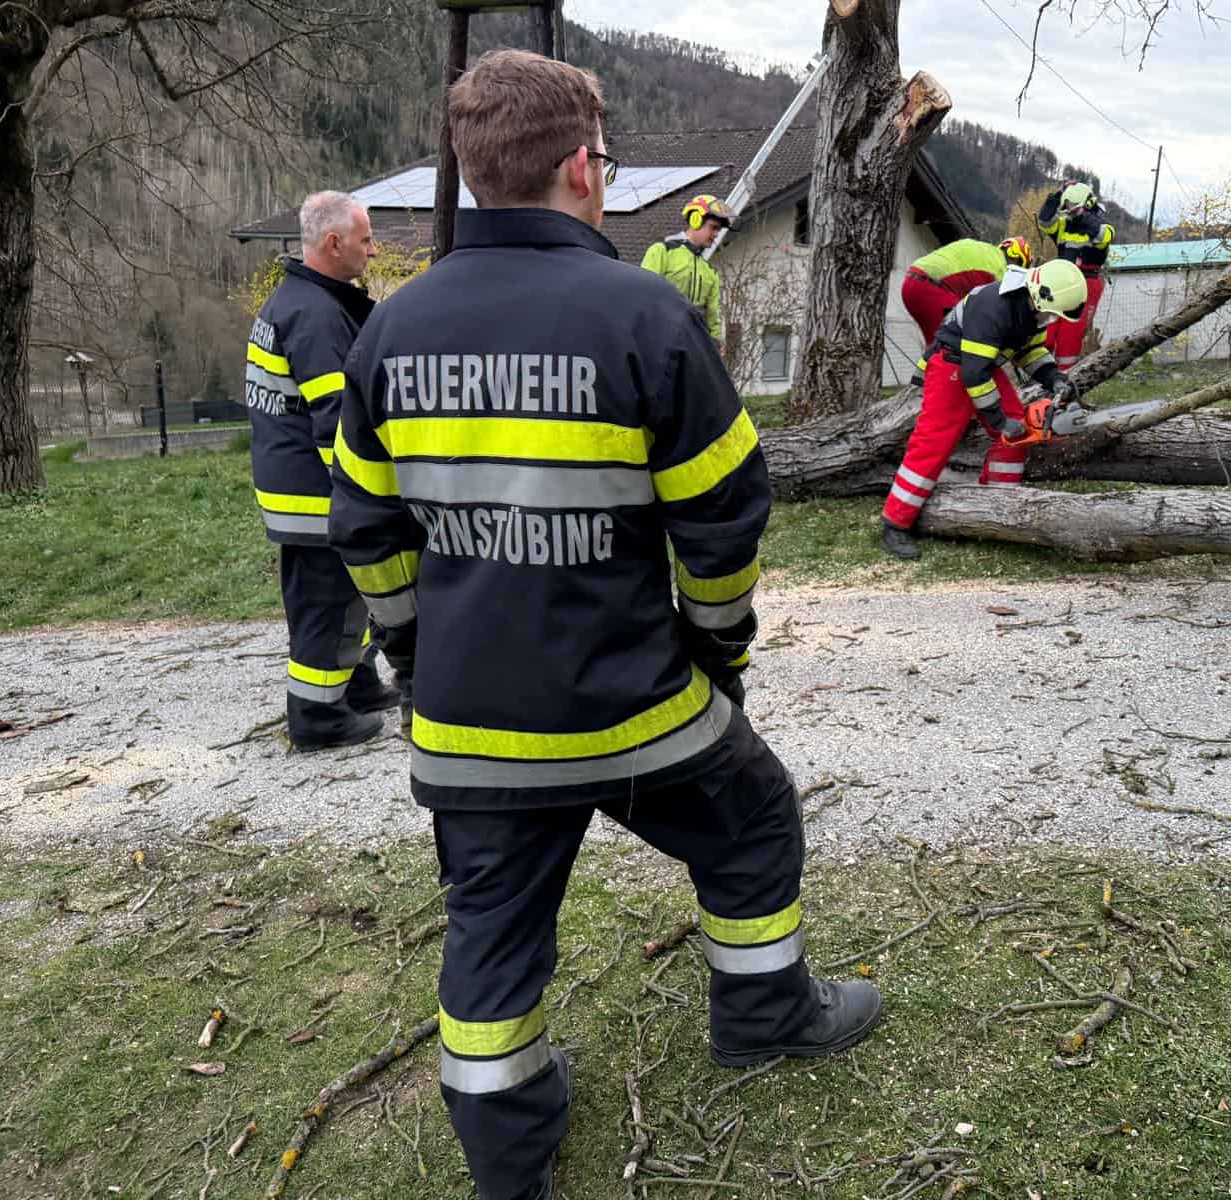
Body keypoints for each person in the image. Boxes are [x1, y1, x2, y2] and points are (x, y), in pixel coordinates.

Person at [327, 49, 881, 1200]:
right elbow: (722, 518)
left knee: (490, 934)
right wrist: (716, 650)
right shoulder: (646, 315)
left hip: (471, 725)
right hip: (636, 709)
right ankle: (764, 1012)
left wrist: (417, 661)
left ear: (471, 170)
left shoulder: (388, 331)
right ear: (582, 166)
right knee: (752, 818)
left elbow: (367, 535)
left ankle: (507, 1158)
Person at [244, 190, 399, 750]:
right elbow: (336, 420)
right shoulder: (315, 316)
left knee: (346, 597)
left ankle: (352, 683)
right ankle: (316, 717)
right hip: (316, 496)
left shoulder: (299, 301)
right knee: (325, 604)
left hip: (297, 489)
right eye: (365, 240)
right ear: (334, 243)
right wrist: (368, 492)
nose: (373, 251)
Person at [880, 259, 1088, 561]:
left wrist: (1054, 378)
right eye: (1052, 313)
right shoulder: (994, 306)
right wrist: (998, 422)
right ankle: (896, 522)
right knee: (933, 442)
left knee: (1019, 430)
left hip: (982, 365)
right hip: (951, 364)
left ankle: (999, 504)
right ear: (1039, 294)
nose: (1051, 319)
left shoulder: (1034, 312)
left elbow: (1030, 352)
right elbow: (973, 375)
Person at [1036, 180, 1115, 370]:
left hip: (1087, 284)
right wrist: (1056, 196)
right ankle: (1039, 372)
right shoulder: (1064, 224)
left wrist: (1082, 216)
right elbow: (1045, 221)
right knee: (1047, 331)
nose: (1069, 213)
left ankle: (1066, 376)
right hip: (1062, 282)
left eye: (1072, 208)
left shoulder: (1101, 226)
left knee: (1070, 337)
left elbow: (1102, 237)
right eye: (1068, 209)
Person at [901, 235, 1034, 346]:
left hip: (911, 282)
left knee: (934, 348)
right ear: (1018, 260)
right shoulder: (1001, 269)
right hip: (932, 290)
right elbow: (1002, 314)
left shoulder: (985, 251)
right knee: (957, 346)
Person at [640, 193, 732, 348]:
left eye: (719, 229)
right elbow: (642, 295)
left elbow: (713, 316)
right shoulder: (662, 252)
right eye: (713, 227)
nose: (716, 234)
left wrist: (716, 343)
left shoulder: (710, 272)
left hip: (692, 347)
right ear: (696, 220)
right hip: (658, 340)